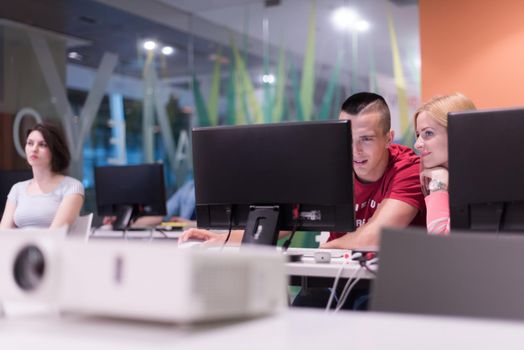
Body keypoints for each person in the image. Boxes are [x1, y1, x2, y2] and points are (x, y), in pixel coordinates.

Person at [180, 92, 426, 249]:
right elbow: (287, 221)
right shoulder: (330, 167)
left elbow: (373, 238)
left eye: (367, 139)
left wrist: (324, 251)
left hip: (385, 282)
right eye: (347, 139)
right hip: (336, 272)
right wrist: (221, 238)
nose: (355, 151)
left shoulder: (408, 169)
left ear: (388, 138)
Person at [0, 123, 84, 230]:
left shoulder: (72, 186)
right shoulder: (17, 189)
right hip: (19, 245)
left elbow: (56, 233)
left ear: (55, 151)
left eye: (43, 144)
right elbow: (3, 233)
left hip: (53, 246)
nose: (34, 149)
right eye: (30, 143)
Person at [414, 93, 476, 234]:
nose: (417, 144)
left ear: (459, 132)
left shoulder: (483, 183)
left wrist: (439, 182)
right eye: (418, 135)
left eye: (428, 133)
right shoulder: (434, 177)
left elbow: (441, 242)